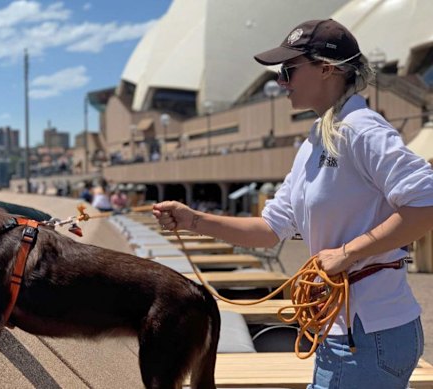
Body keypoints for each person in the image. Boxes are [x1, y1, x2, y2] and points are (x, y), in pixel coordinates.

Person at [153, 19, 433, 389]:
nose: (280, 83)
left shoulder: (362, 129)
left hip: (369, 332)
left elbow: (425, 204)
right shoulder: (316, 142)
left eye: (289, 70)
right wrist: (193, 220)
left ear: (327, 69)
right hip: (342, 331)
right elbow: (270, 230)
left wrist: (347, 253)